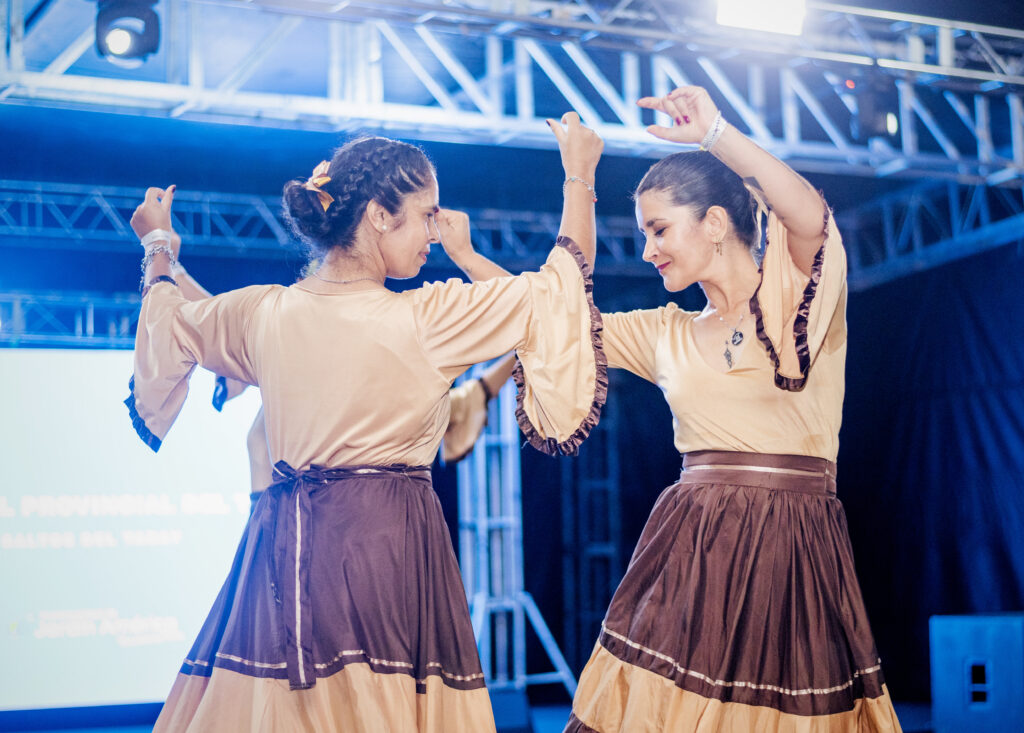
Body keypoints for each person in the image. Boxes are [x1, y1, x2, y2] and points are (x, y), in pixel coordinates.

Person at [125, 116, 605, 732]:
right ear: (380, 215)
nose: (437, 229)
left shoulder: (262, 312)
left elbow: (171, 318)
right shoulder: (426, 318)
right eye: (428, 213)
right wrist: (578, 176)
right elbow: (559, 295)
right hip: (383, 548)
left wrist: (159, 245)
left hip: (282, 550)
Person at [447, 87, 902, 732]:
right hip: (695, 549)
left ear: (714, 223)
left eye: (659, 229)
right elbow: (556, 322)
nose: (647, 250)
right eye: (642, 235)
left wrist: (716, 131)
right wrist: (466, 255)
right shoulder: (667, 331)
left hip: (793, 547)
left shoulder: (794, 294)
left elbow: (806, 213)